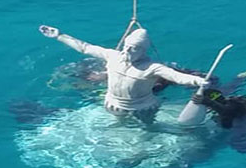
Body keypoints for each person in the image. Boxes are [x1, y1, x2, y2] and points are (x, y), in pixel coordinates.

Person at [39, 25, 209, 123]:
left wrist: (198, 81)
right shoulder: (113, 56)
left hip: (143, 106)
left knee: (147, 126)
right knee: (118, 122)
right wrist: (60, 36)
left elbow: (176, 76)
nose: (127, 51)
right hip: (113, 103)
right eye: (126, 46)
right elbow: (85, 48)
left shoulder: (151, 68)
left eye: (133, 48)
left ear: (142, 50)